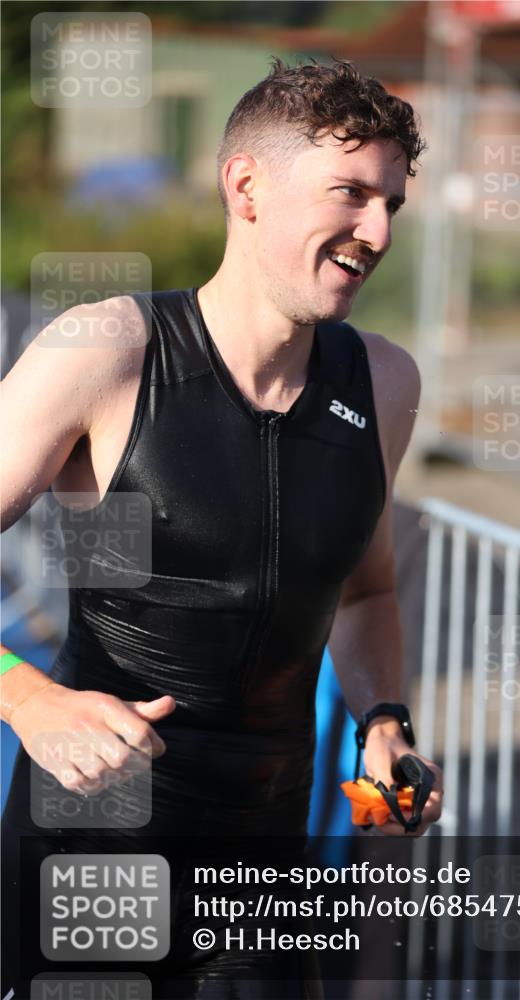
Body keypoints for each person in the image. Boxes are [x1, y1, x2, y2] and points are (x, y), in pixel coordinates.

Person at [0, 59, 443, 998]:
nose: (376, 231)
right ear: (245, 186)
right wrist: (28, 700)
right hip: (99, 838)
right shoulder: (109, 352)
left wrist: (384, 719)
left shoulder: (383, 382)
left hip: (266, 866)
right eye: (351, 194)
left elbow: (365, 589)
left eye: (392, 204)